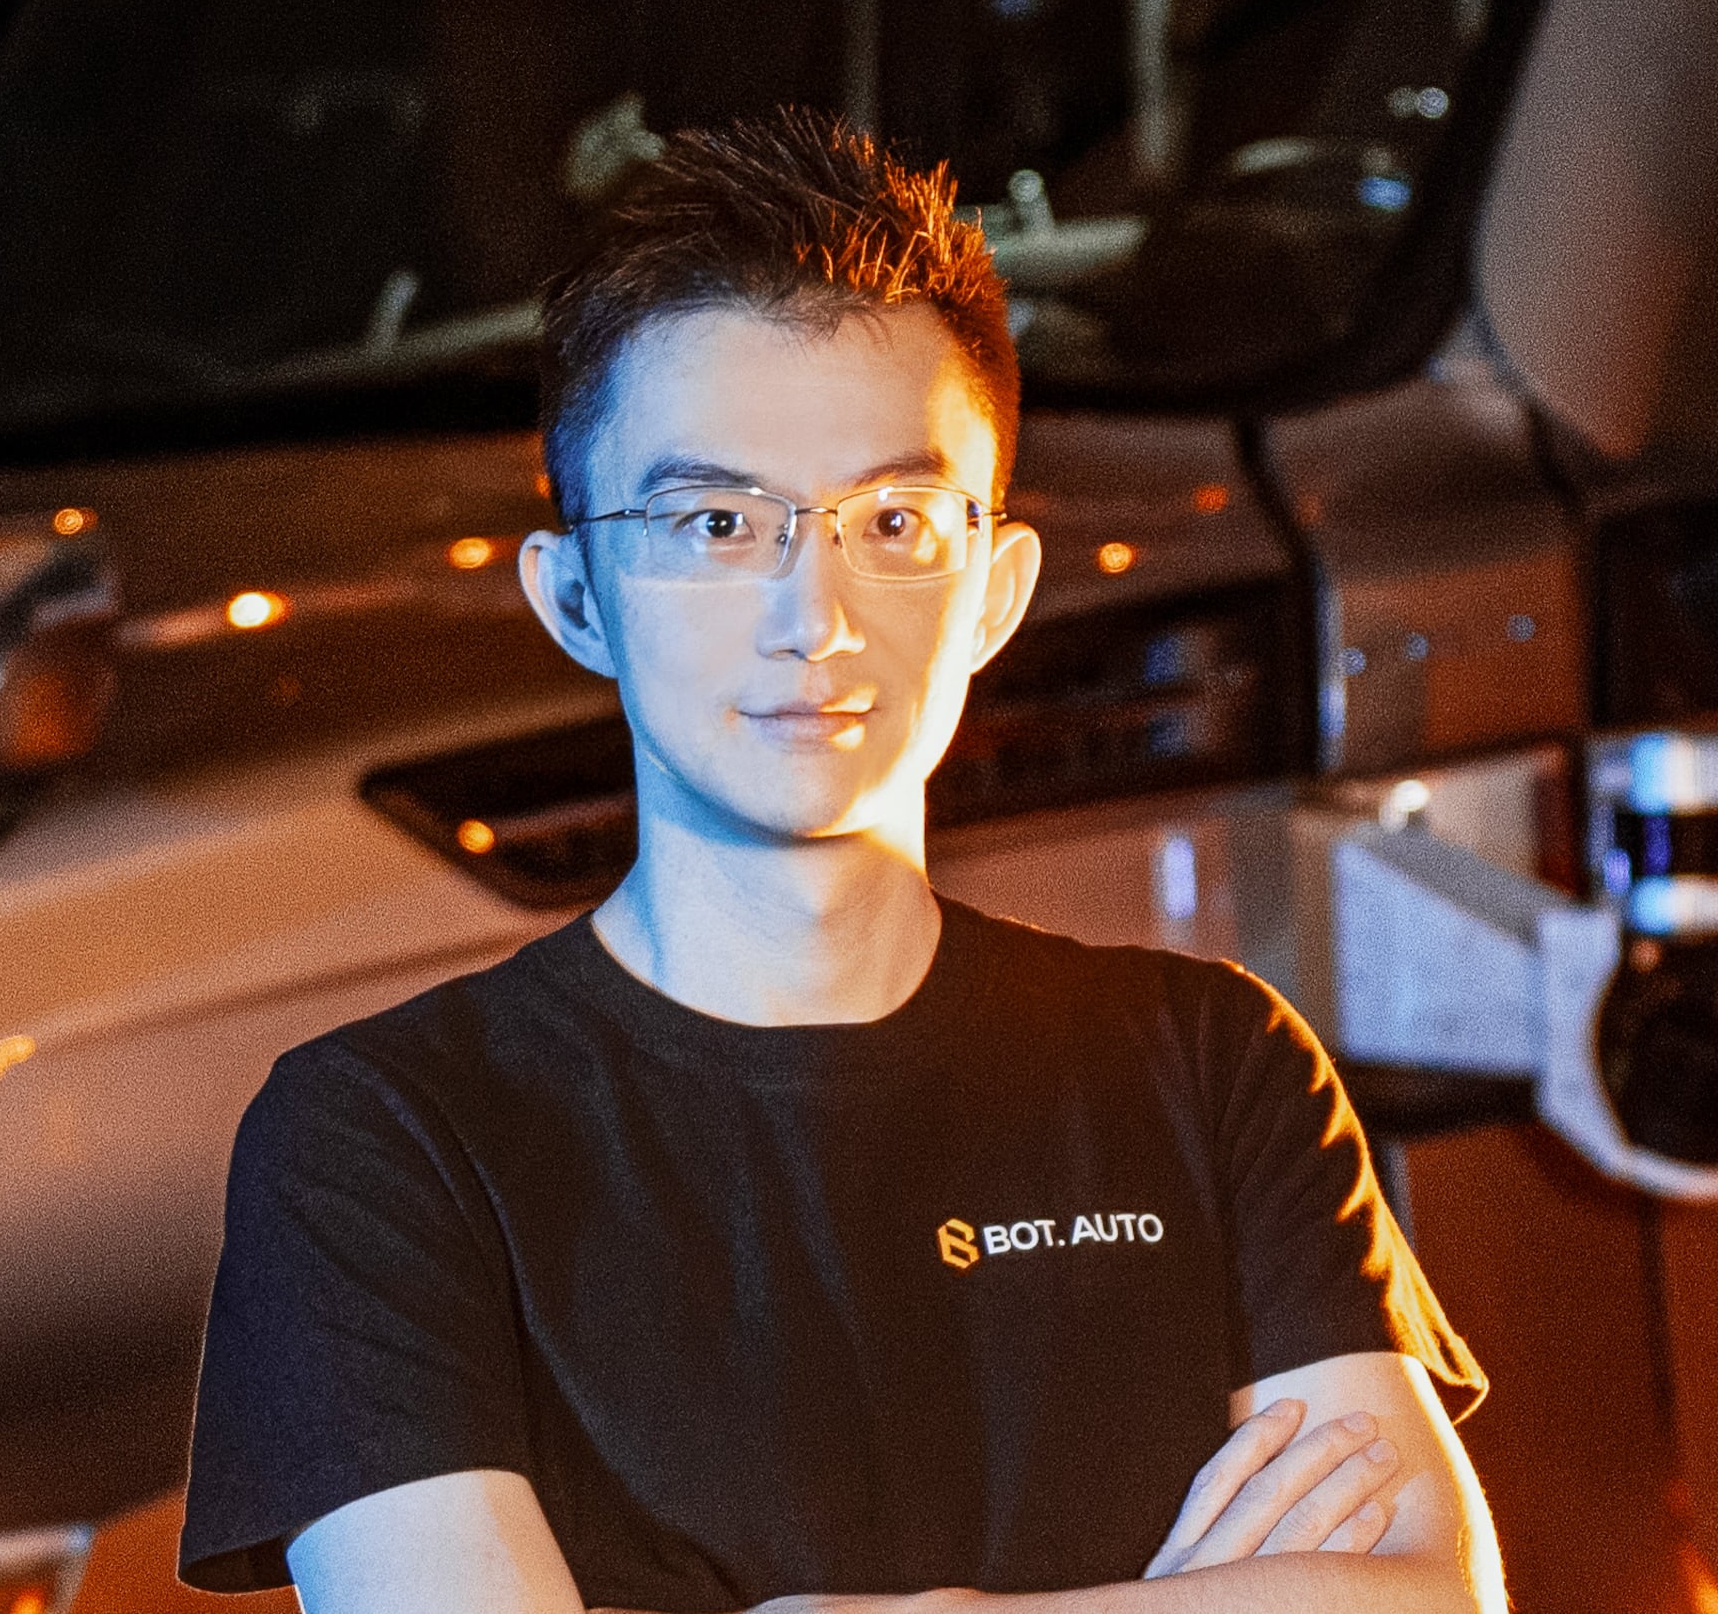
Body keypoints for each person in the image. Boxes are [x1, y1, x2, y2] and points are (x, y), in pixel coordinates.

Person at [179, 110, 1500, 1614]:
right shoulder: (387, 1136)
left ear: (998, 590)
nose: (815, 615)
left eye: (895, 520)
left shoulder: (1209, 1065)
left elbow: (1433, 1596)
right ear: (576, 599)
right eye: (717, 522)